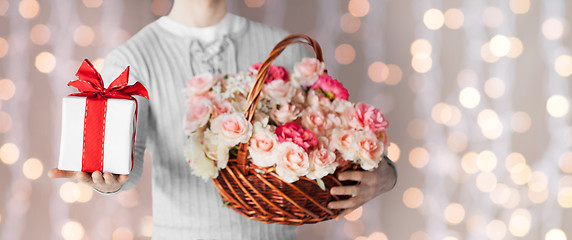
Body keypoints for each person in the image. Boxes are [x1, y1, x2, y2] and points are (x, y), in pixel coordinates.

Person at [49, 0, 397, 239]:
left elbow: (332, 141)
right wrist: (108, 181)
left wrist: (386, 174)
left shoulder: (285, 47)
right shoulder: (132, 59)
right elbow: (129, 160)